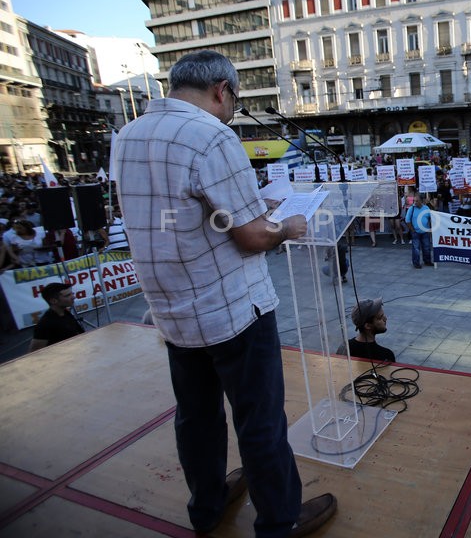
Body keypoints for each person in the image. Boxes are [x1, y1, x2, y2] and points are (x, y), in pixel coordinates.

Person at [114, 50, 336, 537]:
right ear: (221, 90)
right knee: (259, 422)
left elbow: (183, 213)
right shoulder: (211, 136)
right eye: (233, 98)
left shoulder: (127, 136)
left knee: (196, 417)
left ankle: (207, 505)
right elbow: (253, 237)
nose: (233, 107)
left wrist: (254, 205)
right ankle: (279, 521)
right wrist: (287, 225)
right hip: (233, 311)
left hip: (170, 309)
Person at [335, 298, 395, 363]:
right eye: (380, 317)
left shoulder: (344, 348)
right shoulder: (386, 356)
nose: (385, 319)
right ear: (367, 326)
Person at [29, 283, 84, 351]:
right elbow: (34, 353)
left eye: (72, 294)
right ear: (53, 301)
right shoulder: (45, 324)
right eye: (67, 295)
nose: (73, 297)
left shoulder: (65, 313)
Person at [405, 193, 434, 269]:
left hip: (425, 232)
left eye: (417, 201)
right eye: (414, 201)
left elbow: (431, 218)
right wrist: (412, 230)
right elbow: (407, 220)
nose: (415, 202)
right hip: (416, 232)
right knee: (416, 248)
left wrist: (429, 229)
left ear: (422, 201)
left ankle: (427, 261)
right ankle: (416, 263)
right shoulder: (412, 208)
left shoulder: (426, 208)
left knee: (427, 247)